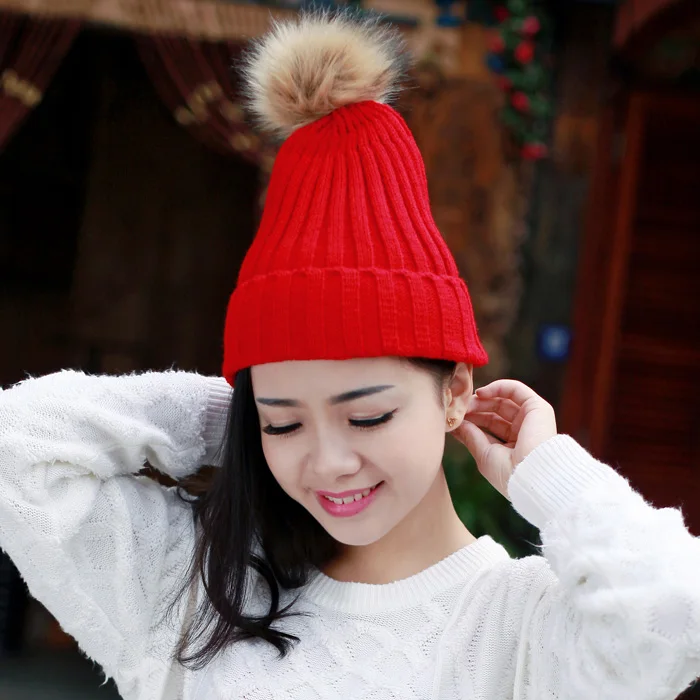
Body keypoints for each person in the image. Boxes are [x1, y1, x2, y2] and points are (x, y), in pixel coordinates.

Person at [0, 11, 699, 700]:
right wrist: (232, 417)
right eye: (285, 423)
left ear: (456, 390)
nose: (329, 462)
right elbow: (17, 448)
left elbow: (675, 614)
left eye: (366, 417)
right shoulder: (194, 589)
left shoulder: (520, 632)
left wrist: (548, 475)